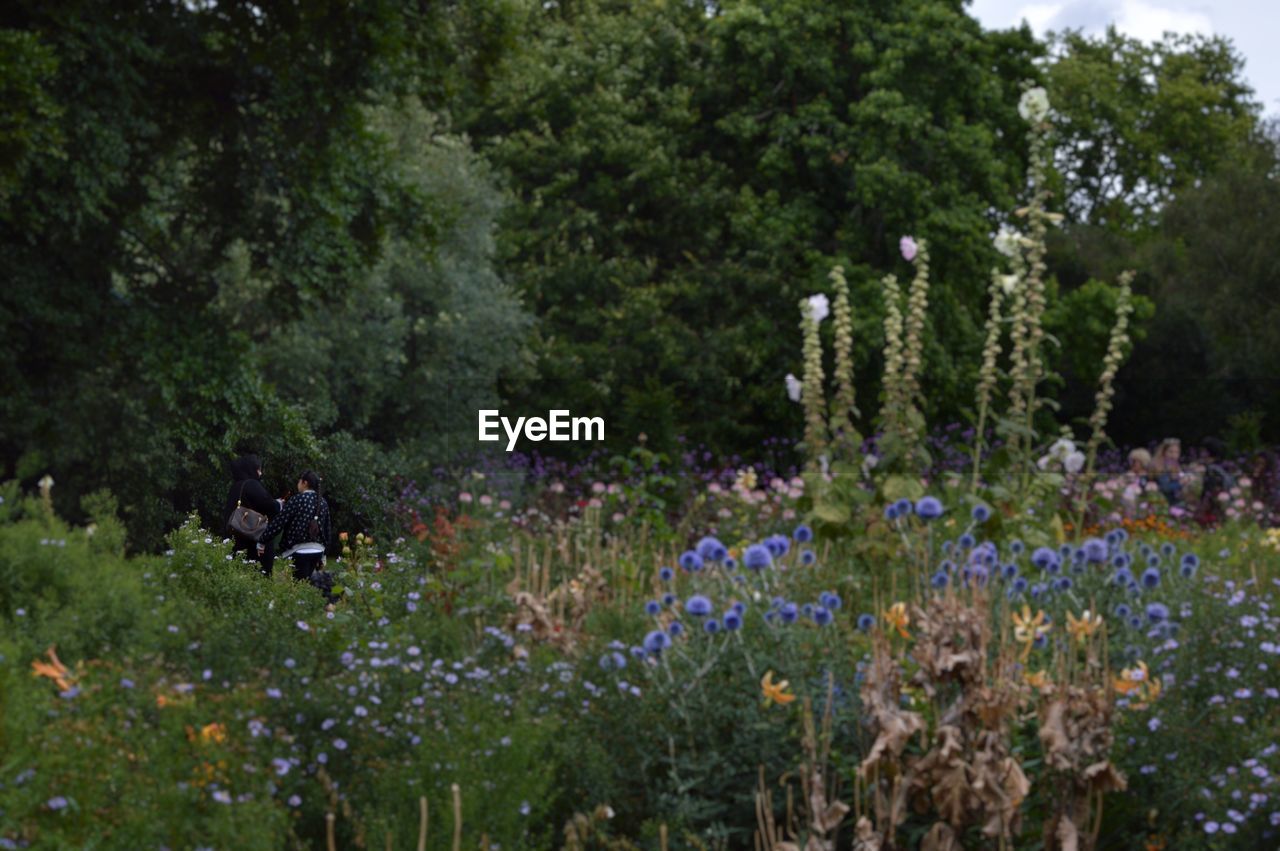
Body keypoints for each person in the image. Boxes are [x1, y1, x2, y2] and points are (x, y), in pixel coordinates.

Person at [258, 471, 331, 582]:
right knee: (306, 584)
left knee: (297, 585)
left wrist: (263, 540)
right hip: (318, 550)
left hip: (299, 551)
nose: (298, 484)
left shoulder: (297, 499)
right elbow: (327, 529)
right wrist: (324, 553)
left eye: (299, 481)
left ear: (304, 483)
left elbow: (279, 522)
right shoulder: (323, 502)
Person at [223, 454, 281, 575]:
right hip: (253, 538)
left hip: (238, 537)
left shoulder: (235, 486)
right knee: (260, 572)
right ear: (252, 469)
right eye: (258, 469)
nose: (260, 473)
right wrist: (278, 504)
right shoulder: (252, 485)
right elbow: (268, 505)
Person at [1151, 438, 1183, 507]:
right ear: (1164, 452)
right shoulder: (1160, 467)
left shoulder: (1175, 466)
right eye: (1170, 452)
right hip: (1162, 504)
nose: (1174, 455)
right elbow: (1164, 487)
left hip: (1176, 503)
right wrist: (1180, 483)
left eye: (1177, 452)